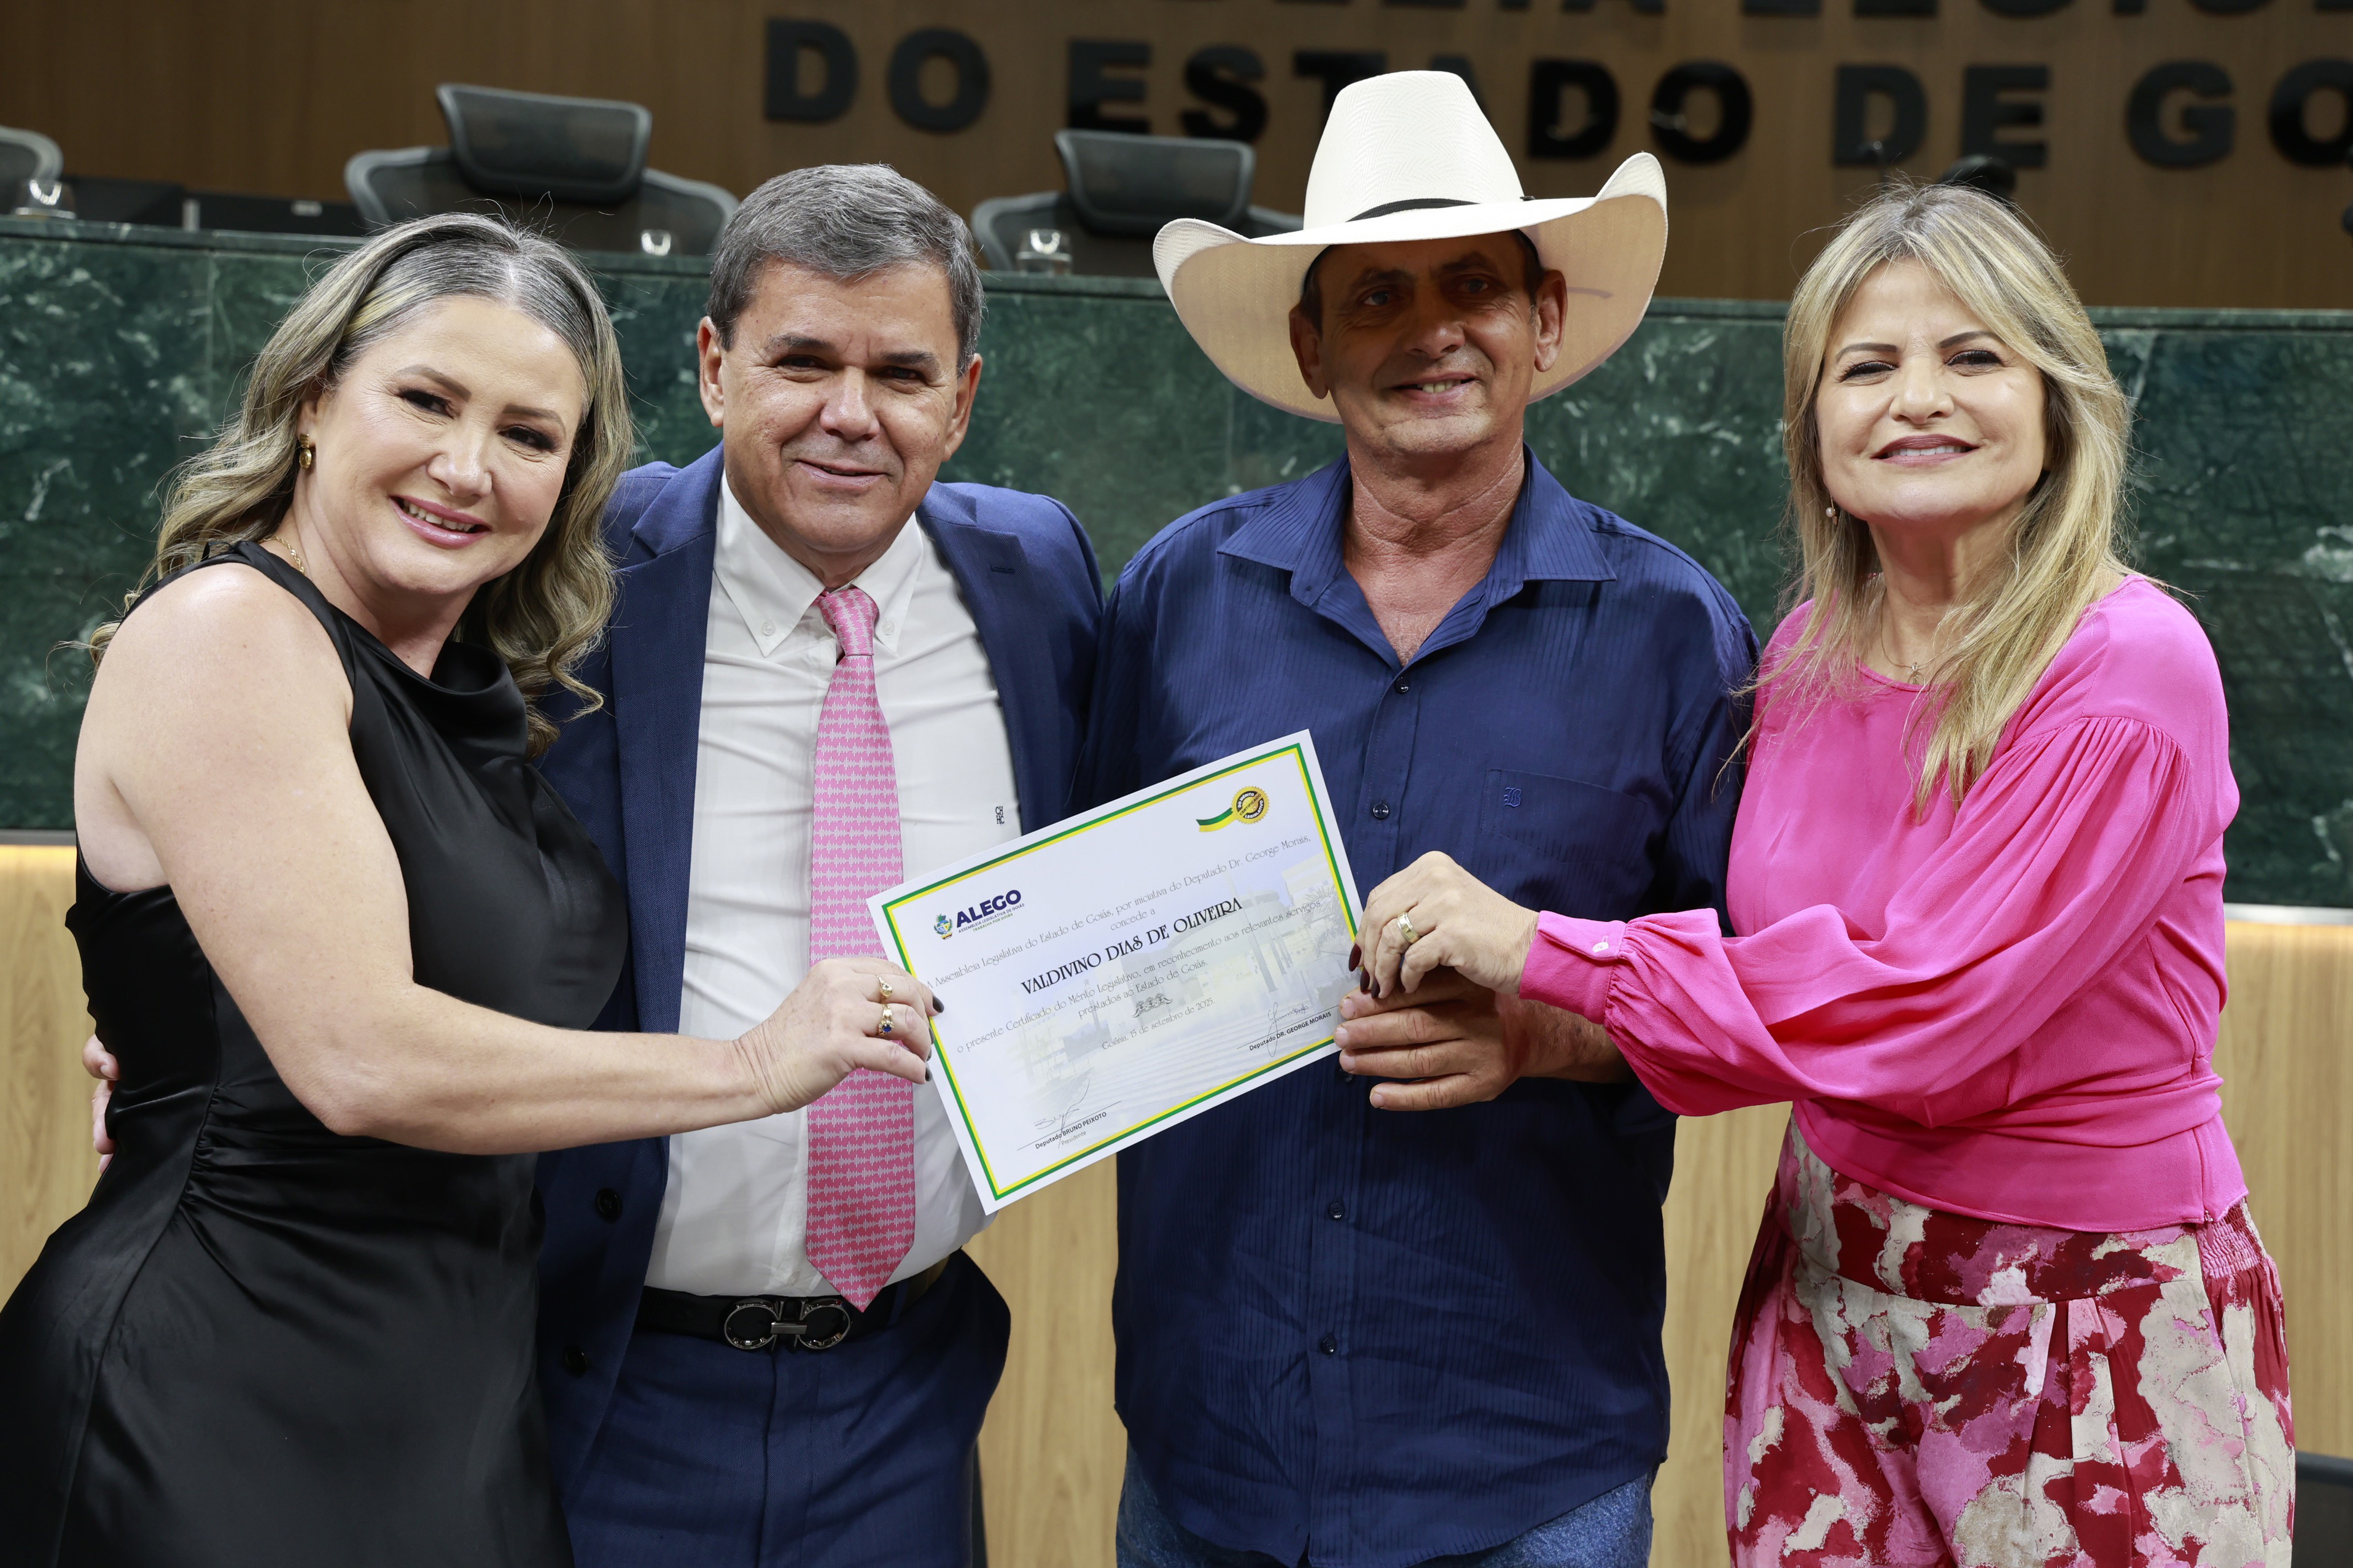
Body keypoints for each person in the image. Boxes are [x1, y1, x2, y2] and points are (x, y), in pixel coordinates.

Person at [1348, 183, 2296, 1566]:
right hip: (1828, 1273)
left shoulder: (2128, 667)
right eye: (1866, 366)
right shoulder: (1802, 655)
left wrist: (1548, 948)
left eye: (1971, 355)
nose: (1917, 398)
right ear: (1811, 425)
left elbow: (1916, 1010)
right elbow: (1777, 996)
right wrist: (1544, 1033)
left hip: (2086, 1310)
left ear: (2058, 398)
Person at [1, 214, 939, 1568]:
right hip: (210, 1397)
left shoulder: (481, 697)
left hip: (462, 1403)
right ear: (313, 397)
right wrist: (752, 1064)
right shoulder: (229, 632)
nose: (466, 467)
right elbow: (358, 1059)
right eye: (427, 400)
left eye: (527, 434)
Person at [1081, 73, 1755, 1567]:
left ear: (1543, 318)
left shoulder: (1674, 632)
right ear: (1310, 345)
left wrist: (1543, 1030)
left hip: (1523, 1459)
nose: (1432, 328)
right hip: (1210, 1446)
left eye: (1472, 285)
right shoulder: (1179, 593)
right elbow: (1088, 922)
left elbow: (1744, 999)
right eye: (1377, 295)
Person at [527, 166, 1101, 1567]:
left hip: (901, 1393)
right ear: (714, 366)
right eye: (801, 361)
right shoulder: (561, 574)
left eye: (900, 373)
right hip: (593, 1380)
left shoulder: (1036, 577)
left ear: (961, 400)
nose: (852, 413)